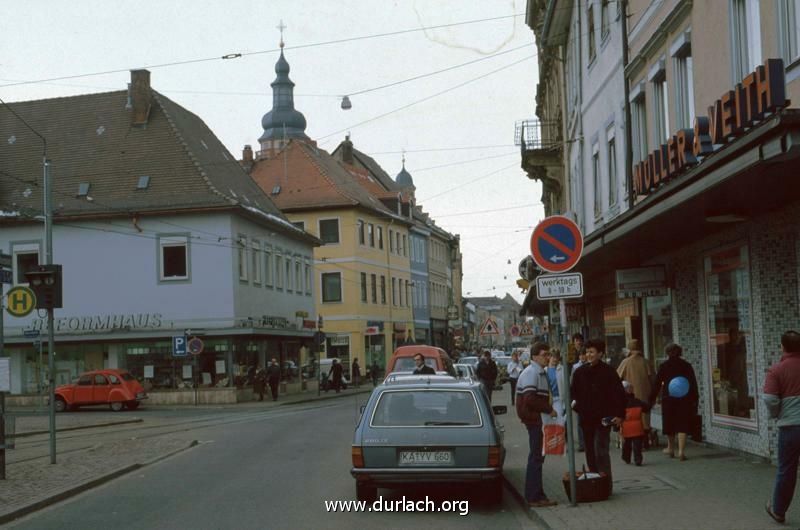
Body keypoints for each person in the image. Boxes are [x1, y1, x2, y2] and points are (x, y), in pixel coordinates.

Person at [570, 338, 626, 493]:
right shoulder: (580, 372)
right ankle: (594, 481)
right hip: (586, 418)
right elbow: (573, 394)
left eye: (592, 352)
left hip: (604, 419)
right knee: (590, 450)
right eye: (587, 352)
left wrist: (619, 415)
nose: (589, 355)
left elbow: (619, 395)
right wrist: (578, 408)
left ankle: (606, 484)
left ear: (600, 354)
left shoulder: (609, 372)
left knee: (601, 449)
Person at [763, 331, 800, 524]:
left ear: (783, 347)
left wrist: (777, 413)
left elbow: (769, 398)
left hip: (791, 427)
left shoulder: (776, 370)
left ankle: (778, 510)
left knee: (787, 470)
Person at [516, 341, 558, 508]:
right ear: (535, 357)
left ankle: (537, 494)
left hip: (537, 419)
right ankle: (534, 496)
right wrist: (549, 410)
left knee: (538, 456)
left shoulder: (539, 372)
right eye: (544, 355)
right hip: (534, 419)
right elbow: (530, 398)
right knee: (536, 458)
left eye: (548, 354)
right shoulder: (531, 373)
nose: (547, 357)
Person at [648, 343, 698, 461]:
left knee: (670, 422)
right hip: (685, 398)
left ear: (667, 353)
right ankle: (681, 451)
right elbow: (693, 384)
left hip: (669, 397)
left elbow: (657, 384)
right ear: (680, 352)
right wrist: (695, 399)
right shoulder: (687, 366)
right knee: (682, 423)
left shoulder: (664, 366)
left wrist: (651, 398)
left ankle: (671, 448)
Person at [617, 339, 654, 443]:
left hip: (629, 396)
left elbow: (616, 378)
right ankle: (646, 439)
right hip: (645, 395)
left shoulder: (626, 362)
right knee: (644, 418)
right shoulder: (646, 362)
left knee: (631, 418)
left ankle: (632, 440)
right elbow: (653, 379)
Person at [621, 380, 650, 466]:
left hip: (626, 427)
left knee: (627, 443)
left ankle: (626, 457)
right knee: (637, 445)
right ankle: (638, 459)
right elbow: (646, 408)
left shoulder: (621, 402)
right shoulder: (637, 401)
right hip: (637, 427)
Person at [570, 337, 589, 452]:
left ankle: (588, 441)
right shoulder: (575, 367)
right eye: (581, 355)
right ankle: (582, 443)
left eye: (584, 355)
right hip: (580, 397)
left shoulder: (590, 365)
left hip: (589, 397)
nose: (582, 357)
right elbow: (572, 382)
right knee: (580, 422)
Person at [546, 351, 565, 420]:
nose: (555, 359)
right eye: (553, 357)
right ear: (549, 357)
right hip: (547, 400)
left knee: (558, 418)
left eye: (557, 357)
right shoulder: (545, 370)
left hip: (558, 398)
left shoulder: (562, 369)